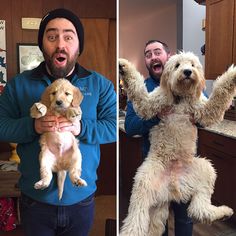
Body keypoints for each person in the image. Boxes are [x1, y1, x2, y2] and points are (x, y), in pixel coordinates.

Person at [0, 8, 116, 236]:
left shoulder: (100, 85)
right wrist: (33, 126)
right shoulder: (18, 85)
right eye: (52, 37)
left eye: (68, 37)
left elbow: (113, 127)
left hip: (81, 200)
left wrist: (81, 128)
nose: (60, 44)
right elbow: (1, 126)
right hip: (35, 201)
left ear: (78, 45)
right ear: (42, 44)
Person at [125, 39, 193, 236]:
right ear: (146, 62)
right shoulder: (141, 90)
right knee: (157, 219)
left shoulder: (190, 82)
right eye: (148, 54)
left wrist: (196, 117)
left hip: (185, 166)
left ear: (168, 57)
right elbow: (130, 127)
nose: (153, 57)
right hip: (156, 165)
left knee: (184, 217)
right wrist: (156, 116)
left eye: (157, 52)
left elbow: (205, 118)